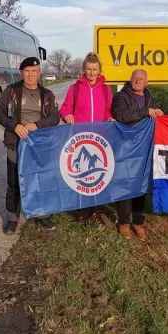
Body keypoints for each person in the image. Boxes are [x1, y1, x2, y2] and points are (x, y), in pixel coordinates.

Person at [0, 56, 60, 234]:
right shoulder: (12, 91)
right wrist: (14, 126)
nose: (30, 75)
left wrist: (37, 125)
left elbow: (55, 118)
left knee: (39, 180)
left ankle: (42, 215)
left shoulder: (47, 95)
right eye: (27, 71)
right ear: (21, 73)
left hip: (38, 146)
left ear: (39, 73)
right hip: (16, 144)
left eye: (34, 71)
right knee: (14, 182)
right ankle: (12, 219)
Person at [59, 51, 114, 225]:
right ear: (84, 69)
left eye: (94, 69)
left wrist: (110, 117)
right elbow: (65, 108)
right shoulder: (75, 88)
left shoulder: (106, 89)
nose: (91, 72)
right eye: (88, 69)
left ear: (99, 70)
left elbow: (109, 110)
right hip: (80, 140)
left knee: (98, 177)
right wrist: (67, 115)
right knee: (82, 177)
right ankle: (82, 211)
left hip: (100, 140)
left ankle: (96, 212)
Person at [111, 68, 164, 241]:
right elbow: (120, 115)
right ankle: (124, 223)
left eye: (141, 79)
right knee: (126, 185)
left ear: (146, 83)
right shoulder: (121, 96)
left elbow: (155, 118)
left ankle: (138, 222)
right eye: (135, 78)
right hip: (125, 148)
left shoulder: (151, 98)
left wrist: (160, 115)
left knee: (141, 185)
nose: (138, 81)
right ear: (130, 79)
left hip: (144, 149)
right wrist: (145, 112)